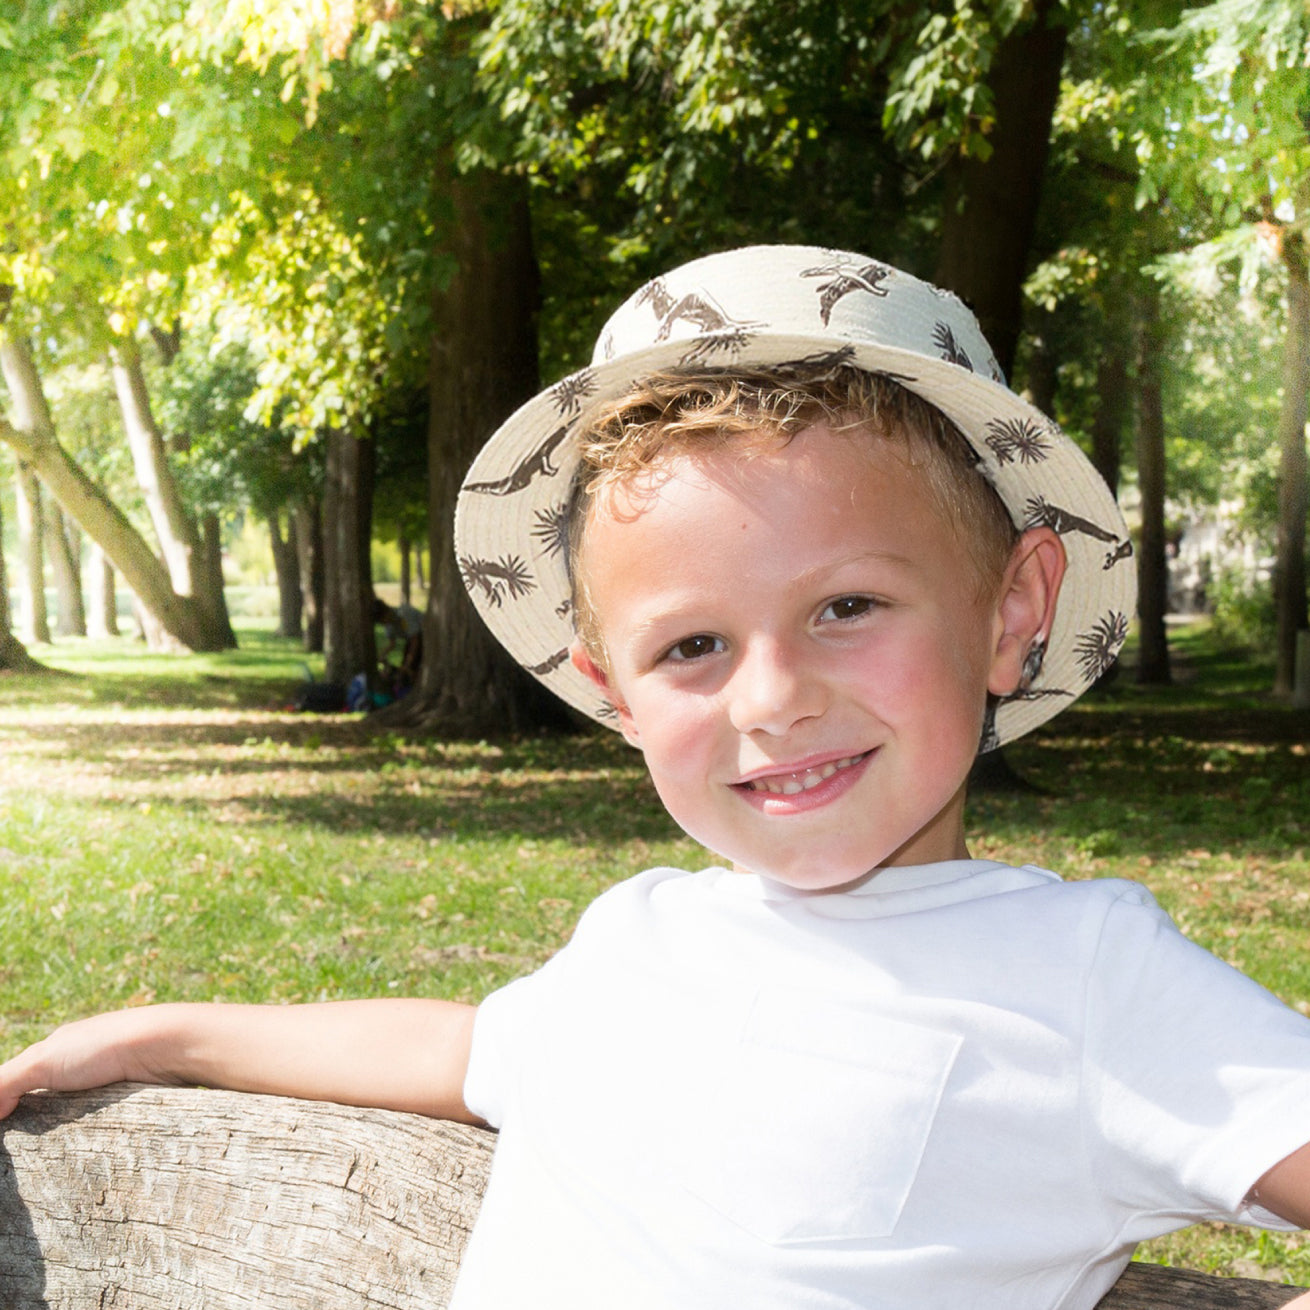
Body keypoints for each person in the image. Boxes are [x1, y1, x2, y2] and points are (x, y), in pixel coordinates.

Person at [2, 245, 1309, 1310]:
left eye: (847, 605)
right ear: (615, 691)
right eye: (692, 647)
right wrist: (161, 1036)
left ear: (1011, 611)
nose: (772, 697)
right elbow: (466, 1050)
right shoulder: (639, 938)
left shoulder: (1084, 979)